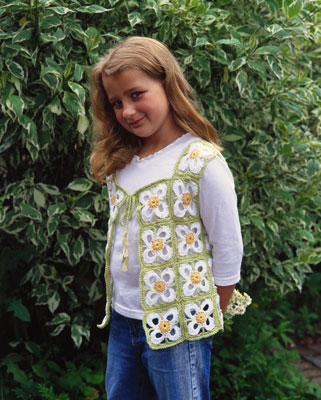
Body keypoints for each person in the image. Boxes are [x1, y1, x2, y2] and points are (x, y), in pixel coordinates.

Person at [89, 36, 243, 400]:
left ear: (167, 85)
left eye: (136, 94)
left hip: (181, 325)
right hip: (124, 321)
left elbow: (227, 246)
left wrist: (207, 314)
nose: (127, 110)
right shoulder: (123, 163)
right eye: (116, 103)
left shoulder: (199, 161)